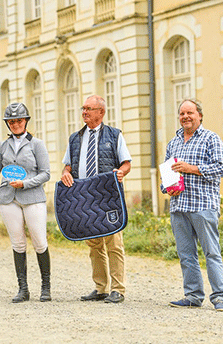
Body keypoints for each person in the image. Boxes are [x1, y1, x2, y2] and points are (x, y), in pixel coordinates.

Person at [0, 103, 51, 303]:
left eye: (19, 121)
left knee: (39, 241)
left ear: (26, 122)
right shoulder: (3, 146)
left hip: (32, 198)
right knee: (18, 243)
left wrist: (25, 183)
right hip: (8, 199)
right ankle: (23, 289)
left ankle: (45, 287)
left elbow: (45, 174)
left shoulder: (37, 145)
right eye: (11, 122)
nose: (15, 125)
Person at [61, 95, 131, 304]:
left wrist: (121, 172)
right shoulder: (75, 138)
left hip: (108, 197)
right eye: (83, 108)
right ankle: (101, 288)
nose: (85, 112)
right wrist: (65, 173)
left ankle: (118, 289)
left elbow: (126, 163)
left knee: (114, 244)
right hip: (85, 198)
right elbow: (68, 166)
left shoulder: (114, 135)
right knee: (94, 244)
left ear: (101, 112)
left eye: (89, 109)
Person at [161, 99, 223, 312]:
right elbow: (166, 175)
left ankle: (219, 298)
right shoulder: (173, 143)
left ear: (199, 115)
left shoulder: (211, 139)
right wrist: (167, 188)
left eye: (190, 112)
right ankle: (193, 296)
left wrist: (192, 168)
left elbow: (222, 168)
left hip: (203, 205)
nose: (185, 117)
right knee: (186, 254)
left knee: (211, 253)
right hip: (179, 205)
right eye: (182, 113)